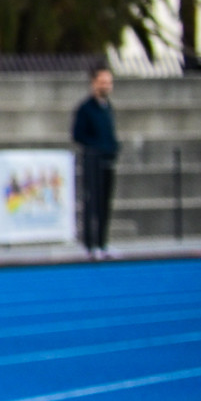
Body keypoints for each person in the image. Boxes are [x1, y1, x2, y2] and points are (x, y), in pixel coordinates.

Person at [71, 63, 120, 259]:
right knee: (93, 203)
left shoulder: (108, 108)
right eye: (102, 81)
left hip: (108, 161)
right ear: (94, 83)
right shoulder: (85, 109)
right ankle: (90, 245)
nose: (106, 85)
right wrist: (97, 147)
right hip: (93, 162)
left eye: (109, 82)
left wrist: (114, 147)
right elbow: (78, 135)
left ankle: (102, 243)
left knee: (105, 203)